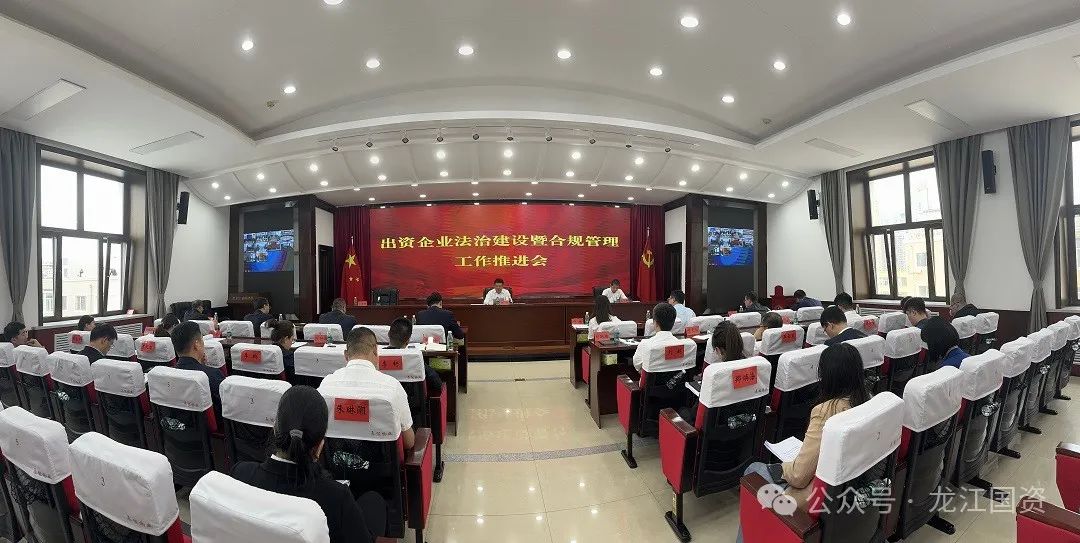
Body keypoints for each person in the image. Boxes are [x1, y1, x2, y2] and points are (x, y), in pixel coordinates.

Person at [735, 343, 870, 543]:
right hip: (844, 497)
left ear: (828, 376)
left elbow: (798, 476)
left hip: (811, 501)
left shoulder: (826, 411)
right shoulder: (866, 403)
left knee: (753, 470)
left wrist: (781, 468)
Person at [232, 386, 387, 543]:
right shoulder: (336, 498)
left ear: (274, 429)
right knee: (374, 501)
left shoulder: (241, 474)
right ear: (320, 445)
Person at [319, 327, 415, 450]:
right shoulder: (392, 386)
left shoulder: (325, 385)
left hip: (335, 460)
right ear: (375, 351)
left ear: (346, 355)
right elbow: (409, 442)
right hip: (382, 461)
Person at [171, 321, 224, 419]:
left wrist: (201, 366)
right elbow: (224, 409)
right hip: (209, 427)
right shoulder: (213, 375)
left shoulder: (169, 375)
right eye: (202, 340)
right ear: (197, 344)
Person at [387, 317, 443, 394]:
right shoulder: (414, 358)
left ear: (388, 334)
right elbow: (437, 384)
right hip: (411, 401)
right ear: (408, 341)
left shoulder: (376, 356)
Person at [632, 303, 682, 371]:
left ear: (655, 323)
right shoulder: (681, 345)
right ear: (673, 323)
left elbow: (637, 366)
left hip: (650, 377)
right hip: (675, 377)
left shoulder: (645, 344)